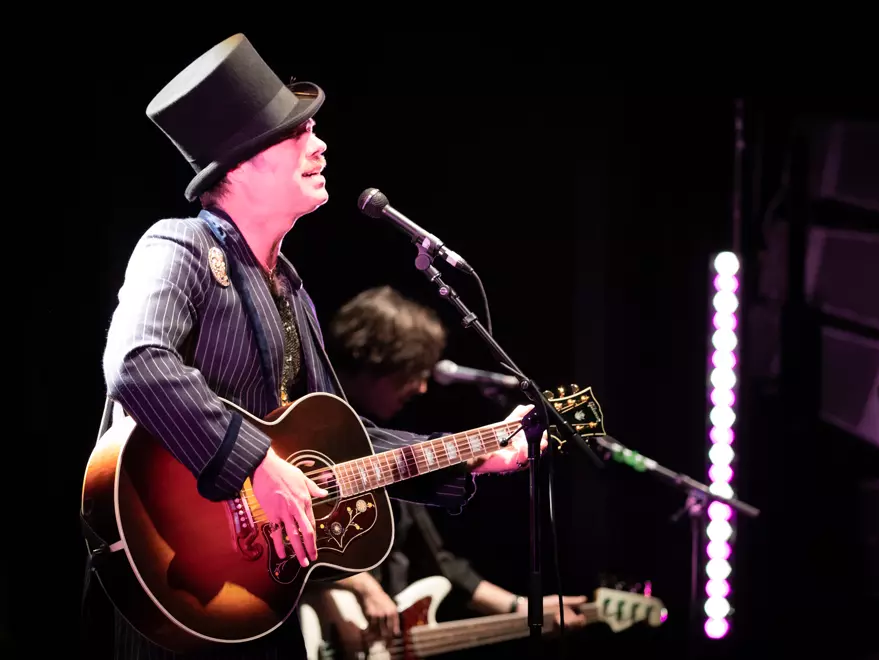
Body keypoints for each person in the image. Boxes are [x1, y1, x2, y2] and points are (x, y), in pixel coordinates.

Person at [93, 34, 541, 660]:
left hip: (258, 597)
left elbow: (341, 442)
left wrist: (474, 454)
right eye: (297, 134)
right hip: (175, 580)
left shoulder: (289, 286)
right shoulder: (179, 246)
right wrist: (256, 462)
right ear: (241, 162)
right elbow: (136, 362)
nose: (320, 144)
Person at [298, 286, 587, 659]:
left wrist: (522, 607)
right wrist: (361, 587)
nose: (421, 387)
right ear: (376, 361)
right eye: (413, 372)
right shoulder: (306, 433)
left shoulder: (396, 451)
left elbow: (439, 563)